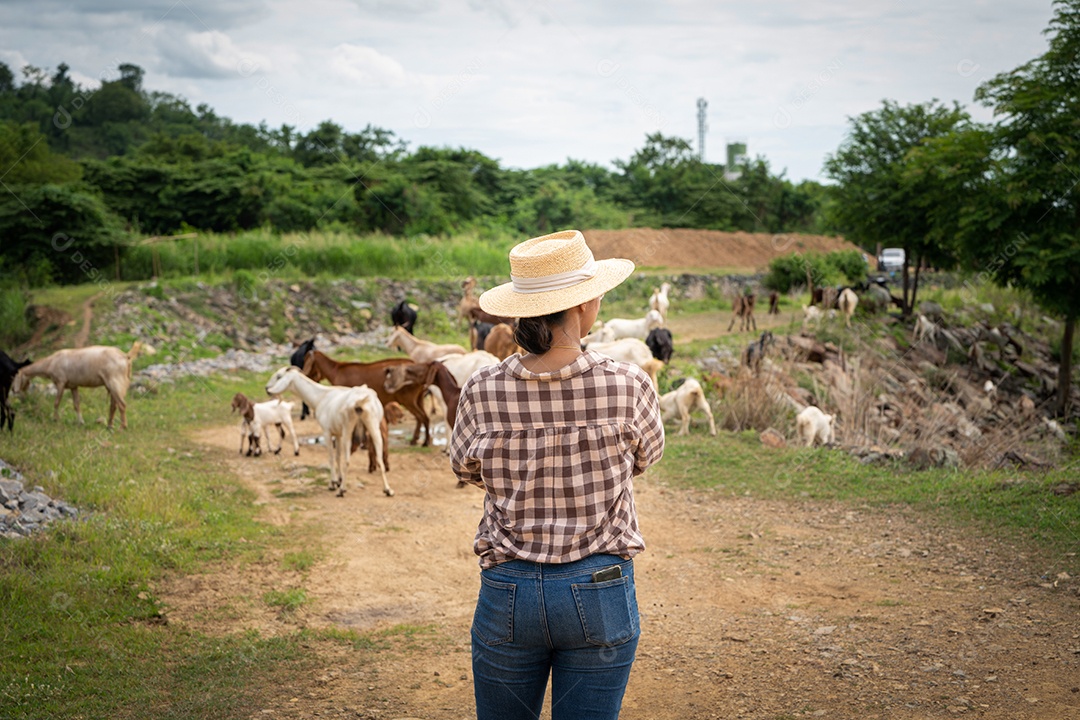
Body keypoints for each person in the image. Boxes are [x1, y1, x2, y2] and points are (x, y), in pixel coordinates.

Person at [449, 229, 665, 720]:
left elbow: (464, 466)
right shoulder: (630, 384)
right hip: (601, 587)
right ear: (585, 304)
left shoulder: (482, 388)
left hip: (509, 590)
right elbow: (645, 458)